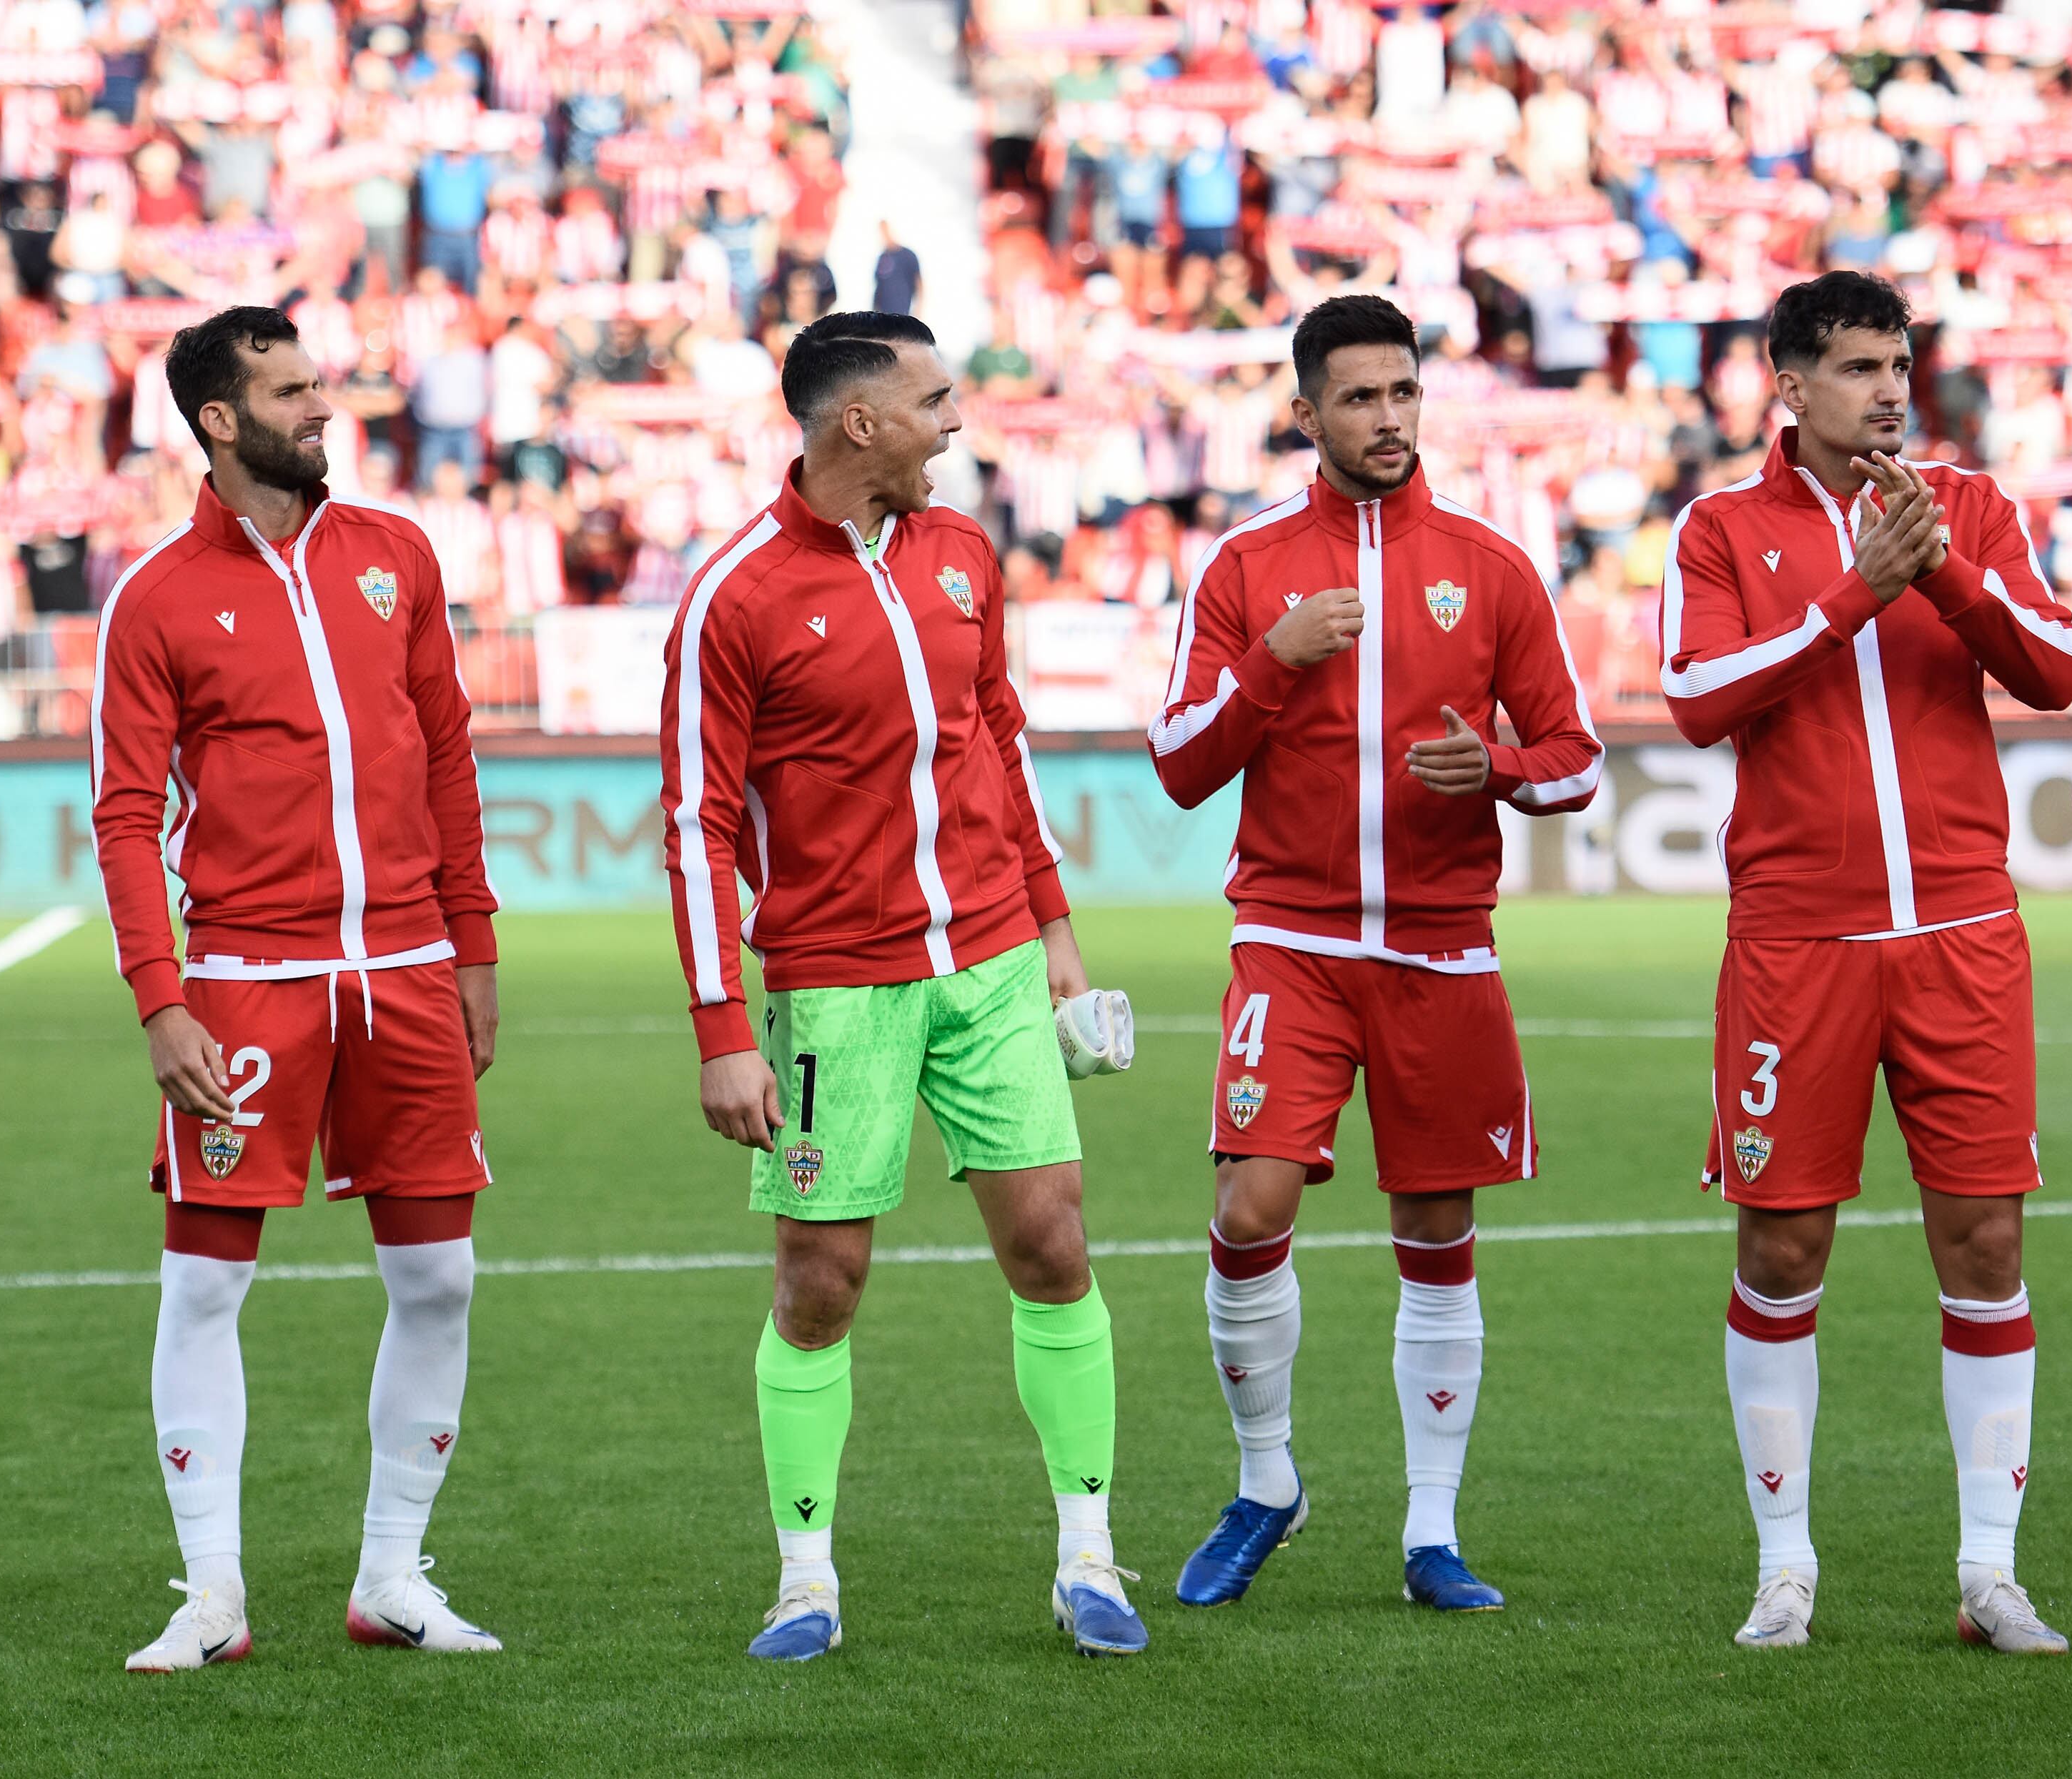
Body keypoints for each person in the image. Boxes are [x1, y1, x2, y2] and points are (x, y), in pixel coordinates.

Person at [658, 311, 1143, 1662]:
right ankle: (804, 1580)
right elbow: (695, 824)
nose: (956, 420)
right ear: (857, 422)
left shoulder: (963, 553)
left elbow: (1000, 740)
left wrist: (1051, 923)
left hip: (990, 962)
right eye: (934, 401)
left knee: (1052, 1243)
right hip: (835, 988)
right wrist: (720, 1028)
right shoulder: (733, 596)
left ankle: (1089, 1556)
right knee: (821, 1281)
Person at [1144, 295, 1603, 1614]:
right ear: (1306, 413)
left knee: (1436, 1229)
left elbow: (1576, 758)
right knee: (1250, 1208)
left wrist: (1499, 770)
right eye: (1358, 397)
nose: (1388, 418)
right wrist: (1270, 664)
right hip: (1288, 940)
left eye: (1402, 392)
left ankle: (1430, 1533)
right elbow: (1179, 762)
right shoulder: (1245, 566)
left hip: (1441, 950)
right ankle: (1265, 1482)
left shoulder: (1490, 566)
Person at [1658, 271, 2072, 1653]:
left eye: (1896, 364)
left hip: (1962, 934)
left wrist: (1939, 570)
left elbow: (2055, 670)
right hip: (1796, 944)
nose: (1888, 389)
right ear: (1787, 387)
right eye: (1855, 367)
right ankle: (1783, 1567)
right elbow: (1696, 697)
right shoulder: (1719, 528)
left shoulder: (1971, 507)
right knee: (1781, 1247)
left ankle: (1989, 1573)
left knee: (1986, 1242)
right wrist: (1855, 594)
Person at [91, 306, 504, 1672]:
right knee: (205, 1287)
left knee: (438, 1276)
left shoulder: (396, 555)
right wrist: (162, 998)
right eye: (290, 391)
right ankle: (212, 1590)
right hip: (246, 978)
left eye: (319, 383)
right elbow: (123, 814)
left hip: (406, 968)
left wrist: (472, 947)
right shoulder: (155, 596)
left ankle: (393, 1575)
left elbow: (446, 752)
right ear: (218, 420)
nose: (323, 407)